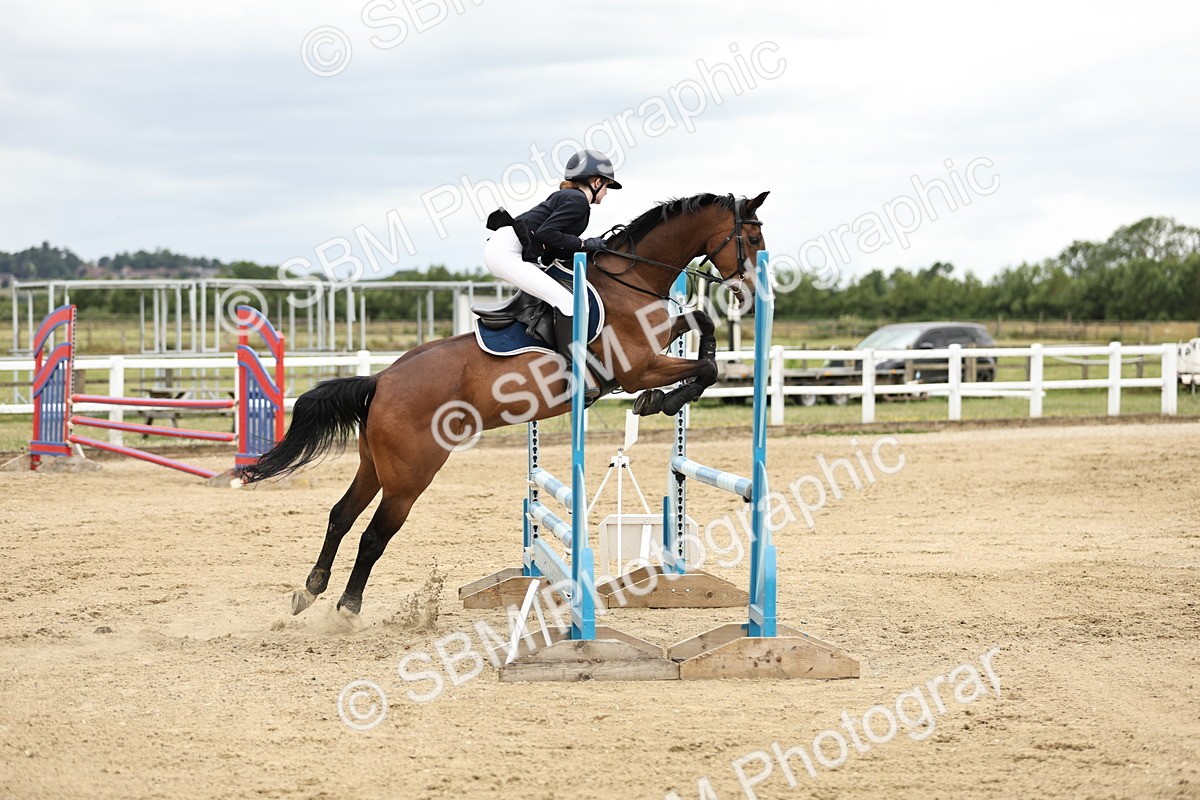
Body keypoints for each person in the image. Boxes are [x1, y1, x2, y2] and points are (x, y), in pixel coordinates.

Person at [483, 149, 621, 360]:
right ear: (596, 182)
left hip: (509, 249)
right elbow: (546, 233)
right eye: (607, 186)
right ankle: (572, 368)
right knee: (567, 302)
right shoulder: (577, 200)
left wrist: (589, 245)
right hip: (506, 252)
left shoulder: (571, 198)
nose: (607, 192)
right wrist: (584, 243)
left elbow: (553, 243)